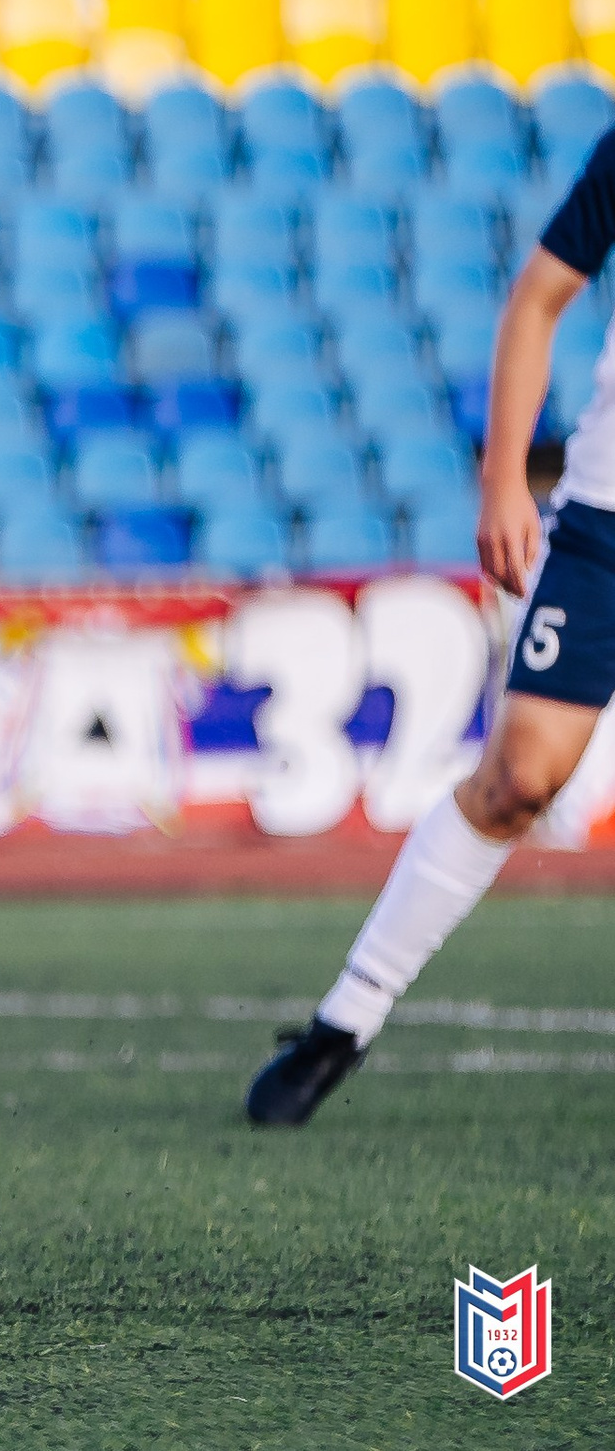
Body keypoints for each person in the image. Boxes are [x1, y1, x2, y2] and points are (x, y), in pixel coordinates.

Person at [246, 125, 615, 1125]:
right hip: (602, 522)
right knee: (517, 780)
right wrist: (503, 475)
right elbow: (538, 296)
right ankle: (345, 1019)